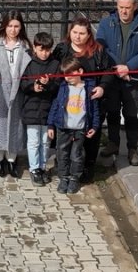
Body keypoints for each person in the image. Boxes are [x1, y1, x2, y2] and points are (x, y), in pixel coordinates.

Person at [95, 0, 138, 171]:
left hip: (132, 79)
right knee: (112, 112)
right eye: (121, 7)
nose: (124, 11)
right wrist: (118, 68)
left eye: (127, 8)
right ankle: (113, 142)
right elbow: (101, 47)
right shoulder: (107, 23)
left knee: (131, 115)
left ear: (135, 6)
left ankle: (132, 148)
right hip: (112, 78)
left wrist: (129, 67)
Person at [53, 17, 111, 178]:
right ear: (69, 32)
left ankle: (87, 166)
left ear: (88, 35)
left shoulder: (98, 50)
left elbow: (108, 72)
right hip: (67, 99)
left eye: (82, 33)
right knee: (65, 133)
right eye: (74, 32)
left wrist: (102, 87)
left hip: (90, 100)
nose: (77, 36)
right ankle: (63, 163)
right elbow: (54, 71)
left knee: (89, 134)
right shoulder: (62, 49)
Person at [0, 12, 30, 179]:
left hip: (18, 92)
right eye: (10, 26)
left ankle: (12, 160)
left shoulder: (25, 46)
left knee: (15, 126)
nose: (13, 30)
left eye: (17, 26)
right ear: (4, 26)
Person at [47, 58, 101, 194]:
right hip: (63, 128)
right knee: (62, 154)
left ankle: (74, 178)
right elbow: (55, 105)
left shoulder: (89, 88)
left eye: (71, 74)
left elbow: (94, 109)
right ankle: (63, 178)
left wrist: (94, 126)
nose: (68, 78)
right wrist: (51, 125)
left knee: (76, 155)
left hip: (80, 129)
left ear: (80, 72)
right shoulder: (63, 88)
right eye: (65, 75)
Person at [17, 32, 60, 185]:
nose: (44, 53)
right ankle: (34, 169)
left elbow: (58, 86)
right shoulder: (28, 63)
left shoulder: (55, 64)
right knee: (34, 141)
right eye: (41, 49)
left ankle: (43, 167)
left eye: (47, 50)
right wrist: (32, 86)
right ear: (34, 48)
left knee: (45, 141)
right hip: (31, 108)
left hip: (48, 110)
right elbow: (21, 84)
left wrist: (48, 84)